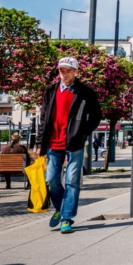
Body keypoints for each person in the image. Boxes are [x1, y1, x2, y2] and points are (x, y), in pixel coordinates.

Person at [37, 57, 102, 234]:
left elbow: (96, 117)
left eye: (67, 70)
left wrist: (82, 132)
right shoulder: (50, 91)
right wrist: (39, 143)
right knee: (51, 180)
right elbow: (43, 120)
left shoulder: (85, 92)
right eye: (61, 71)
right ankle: (59, 208)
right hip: (52, 143)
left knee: (72, 181)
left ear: (75, 71)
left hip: (75, 143)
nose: (63, 74)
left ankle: (66, 219)